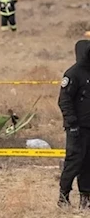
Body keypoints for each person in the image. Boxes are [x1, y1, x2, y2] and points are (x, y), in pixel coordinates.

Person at [58, 40, 90, 209]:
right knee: (74, 162)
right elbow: (64, 100)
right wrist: (71, 123)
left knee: (88, 164)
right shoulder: (73, 74)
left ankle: (86, 198)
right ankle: (63, 196)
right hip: (76, 128)